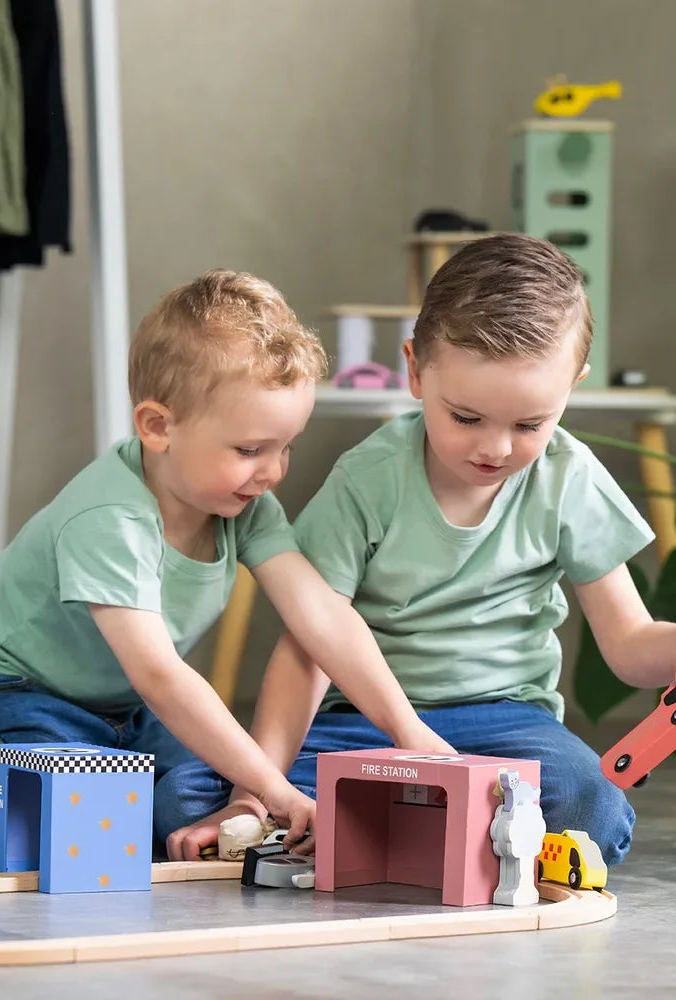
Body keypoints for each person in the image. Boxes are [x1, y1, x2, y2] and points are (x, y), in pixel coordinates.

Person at [0, 268, 451, 859]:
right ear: (157, 427)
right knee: (70, 816)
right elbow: (161, 675)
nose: (272, 472)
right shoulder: (110, 519)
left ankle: (118, 797)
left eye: (285, 448)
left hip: (117, 712)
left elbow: (322, 615)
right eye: (249, 449)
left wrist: (409, 732)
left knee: (191, 801)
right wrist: (271, 786)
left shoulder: (245, 505)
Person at [163, 235, 676, 866]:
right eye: (465, 417)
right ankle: (441, 840)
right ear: (414, 369)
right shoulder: (369, 477)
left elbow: (627, 643)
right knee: (188, 797)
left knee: (588, 803)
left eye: (528, 425)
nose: (494, 448)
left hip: (505, 726)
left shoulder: (570, 477)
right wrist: (251, 792)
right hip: (364, 725)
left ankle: (391, 836)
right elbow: (309, 645)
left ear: (572, 385)